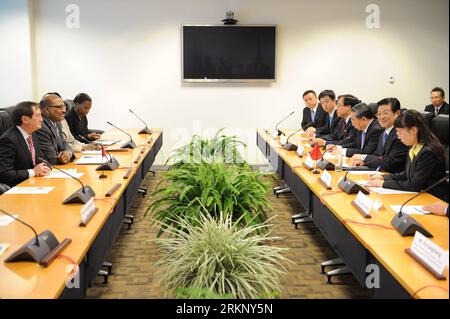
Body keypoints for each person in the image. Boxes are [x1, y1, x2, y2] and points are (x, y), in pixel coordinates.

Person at [368, 110, 448, 201]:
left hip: (433, 198)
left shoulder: (428, 152)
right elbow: (408, 174)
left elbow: (414, 185)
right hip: (419, 195)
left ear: (413, 130)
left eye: (400, 132)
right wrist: (383, 177)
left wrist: (382, 184)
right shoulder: (414, 147)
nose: (398, 136)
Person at [349, 98, 409, 173]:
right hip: (381, 173)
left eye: (385, 113)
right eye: (379, 114)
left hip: (394, 176)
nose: (381, 117)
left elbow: (390, 163)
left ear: (397, 113)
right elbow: (377, 155)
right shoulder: (383, 133)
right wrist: (364, 162)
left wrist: (363, 157)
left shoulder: (401, 135)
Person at [0, 101, 50, 187]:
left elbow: (40, 159)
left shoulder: (32, 134)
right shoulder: (9, 139)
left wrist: (44, 168)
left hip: (33, 183)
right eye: (38, 116)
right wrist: (33, 172)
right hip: (16, 188)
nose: (41, 119)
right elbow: (3, 173)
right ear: (24, 119)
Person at [36, 94, 74, 164]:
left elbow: (64, 143)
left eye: (64, 106)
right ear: (46, 109)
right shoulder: (41, 126)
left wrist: (68, 153)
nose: (64, 110)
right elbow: (51, 158)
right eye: (59, 107)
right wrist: (64, 156)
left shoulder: (57, 122)